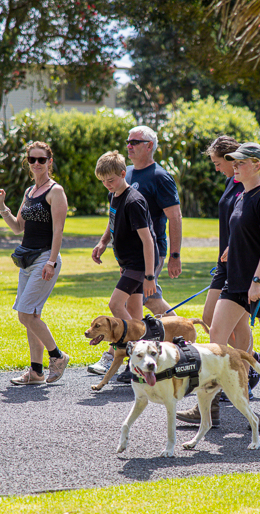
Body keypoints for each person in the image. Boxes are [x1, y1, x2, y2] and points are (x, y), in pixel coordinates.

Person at [176, 136, 260, 427]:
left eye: (218, 163)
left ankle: (223, 390)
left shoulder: (246, 185)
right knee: (231, 328)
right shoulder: (232, 184)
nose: (217, 169)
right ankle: (245, 376)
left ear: (232, 160)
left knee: (217, 329)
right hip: (226, 262)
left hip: (237, 265)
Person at [206, 142, 260, 431]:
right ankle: (210, 406)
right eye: (233, 162)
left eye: (240, 162)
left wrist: (257, 281)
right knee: (216, 337)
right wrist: (234, 247)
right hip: (236, 283)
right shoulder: (242, 195)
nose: (235, 166)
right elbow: (247, 232)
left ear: (256, 165)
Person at [87, 125, 184, 378]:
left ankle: (170, 342)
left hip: (147, 255)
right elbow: (113, 218)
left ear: (149, 145)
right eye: (127, 141)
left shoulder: (159, 177)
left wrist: (173, 256)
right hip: (130, 257)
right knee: (143, 304)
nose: (129, 145)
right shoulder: (122, 177)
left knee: (126, 304)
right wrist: (103, 242)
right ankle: (150, 352)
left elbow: (173, 217)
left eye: (135, 141)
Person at [0, 141, 69, 385]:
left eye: (41, 160)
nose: (36, 164)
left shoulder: (56, 192)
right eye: (32, 159)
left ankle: (58, 356)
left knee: (25, 313)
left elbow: (58, 232)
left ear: (49, 162)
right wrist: (1, 206)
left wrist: (52, 262)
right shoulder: (29, 192)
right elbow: (17, 227)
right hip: (27, 260)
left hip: (45, 258)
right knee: (31, 314)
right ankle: (36, 372)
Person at [90, 150, 158, 328]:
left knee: (115, 304)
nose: (107, 184)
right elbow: (112, 219)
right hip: (128, 263)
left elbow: (148, 240)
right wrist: (103, 242)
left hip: (139, 264)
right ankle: (136, 350)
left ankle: (139, 338)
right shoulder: (113, 194)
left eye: (110, 180)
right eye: (103, 181)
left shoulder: (133, 202)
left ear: (123, 173)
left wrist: (150, 276)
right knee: (134, 310)